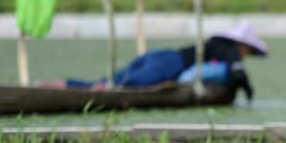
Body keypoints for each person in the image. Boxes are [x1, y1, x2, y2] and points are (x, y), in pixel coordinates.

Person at [55, 22, 268, 101]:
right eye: (247, 51)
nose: (245, 55)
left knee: (107, 81)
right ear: (242, 46)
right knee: (118, 86)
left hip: (158, 56)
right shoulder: (230, 50)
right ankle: (65, 87)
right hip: (169, 64)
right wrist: (248, 91)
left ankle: (60, 85)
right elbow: (238, 72)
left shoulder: (215, 45)